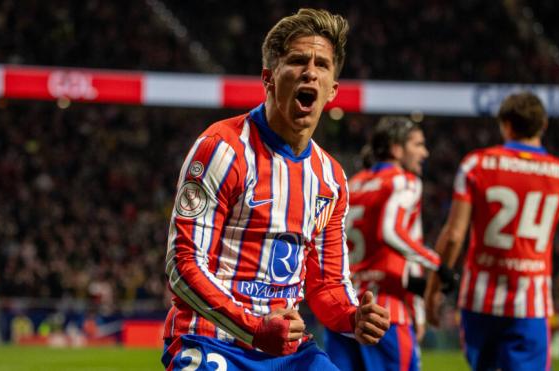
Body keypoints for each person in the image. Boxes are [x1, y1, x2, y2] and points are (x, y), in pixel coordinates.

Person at [161, 8, 390, 371]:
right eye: (298, 60)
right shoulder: (222, 148)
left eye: (322, 65)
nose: (310, 71)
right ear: (268, 78)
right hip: (209, 340)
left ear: (332, 90)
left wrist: (352, 317)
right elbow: (183, 265)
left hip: (288, 351)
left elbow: (326, 284)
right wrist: (254, 328)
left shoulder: (330, 178)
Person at [424, 92, 559, 371]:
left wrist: (432, 292)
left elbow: (453, 236)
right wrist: (551, 202)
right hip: (530, 304)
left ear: (506, 125)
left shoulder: (476, 165)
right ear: (543, 125)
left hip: (479, 302)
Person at [325, 116, 457, 371]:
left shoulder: (352, 184)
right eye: (418, 144)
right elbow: (393, 231)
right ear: (397, 149)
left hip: (344, 310)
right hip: (385, 312)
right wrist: (438, 265)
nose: (424, 152)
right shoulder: (404, 181)